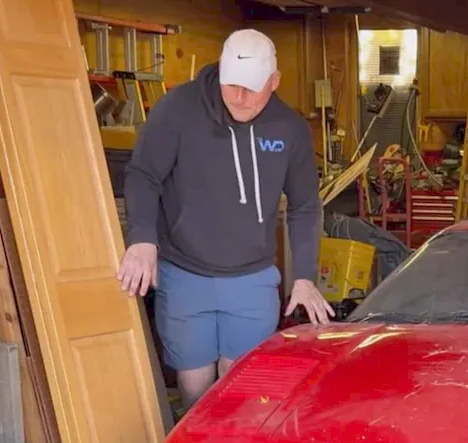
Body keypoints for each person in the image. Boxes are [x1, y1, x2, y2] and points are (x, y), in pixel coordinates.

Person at [118, 28, 333, 409]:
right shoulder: (177, 109)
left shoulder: (289, 128)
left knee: (242, 389)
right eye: (231, 85)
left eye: (251, 88)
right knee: (195, 386)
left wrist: (304, 276)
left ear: (274, 81)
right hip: (185, 272)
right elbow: (143, 174)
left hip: (251, 278)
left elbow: (304, 206)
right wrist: (142, 238)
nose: (239, 97)